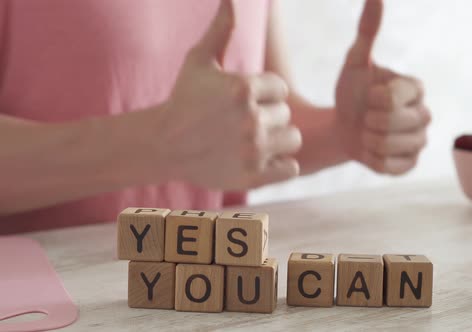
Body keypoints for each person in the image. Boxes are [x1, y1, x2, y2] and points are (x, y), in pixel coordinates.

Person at [0, 0, 430, 234]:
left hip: (199, 299)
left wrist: (345, 132)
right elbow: (192, 134)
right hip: (48, 302)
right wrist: (161, 140)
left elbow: (245, 124)